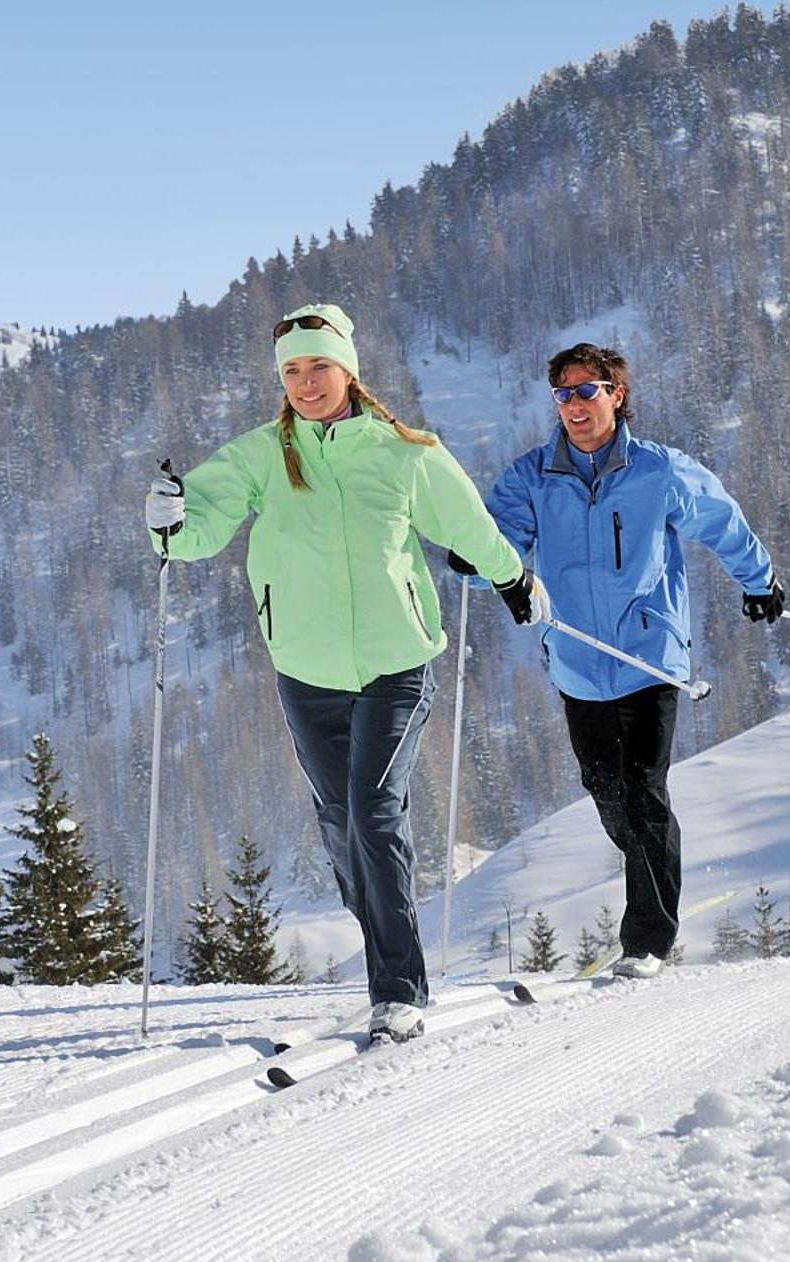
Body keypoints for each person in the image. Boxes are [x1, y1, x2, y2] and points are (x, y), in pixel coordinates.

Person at [143, 303, 546, 1041]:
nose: (304, 382)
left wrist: (513, 580)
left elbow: (468, 527)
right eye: (291, 371)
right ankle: (390, 937)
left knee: (372, 811)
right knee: (339, 824)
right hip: (305, 669)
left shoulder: (404, 452)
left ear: (348, 370)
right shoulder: (261, 455)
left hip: (397, 663)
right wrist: (166, 519)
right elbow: (194, 534)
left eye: (317, 367)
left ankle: (399, 988)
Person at [457, 342, 783, 980]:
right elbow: (496, 543)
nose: (574, 405)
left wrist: (759, 580)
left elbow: (721, 520)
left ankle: (647, 940)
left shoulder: (658, 471)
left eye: (587, 390)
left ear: (616, 394)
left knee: (643, 791)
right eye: (563, 393)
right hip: (577, 661)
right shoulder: (531, 477)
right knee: (607, 794)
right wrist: (478, 564)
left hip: (649, 658)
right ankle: (650, 877)